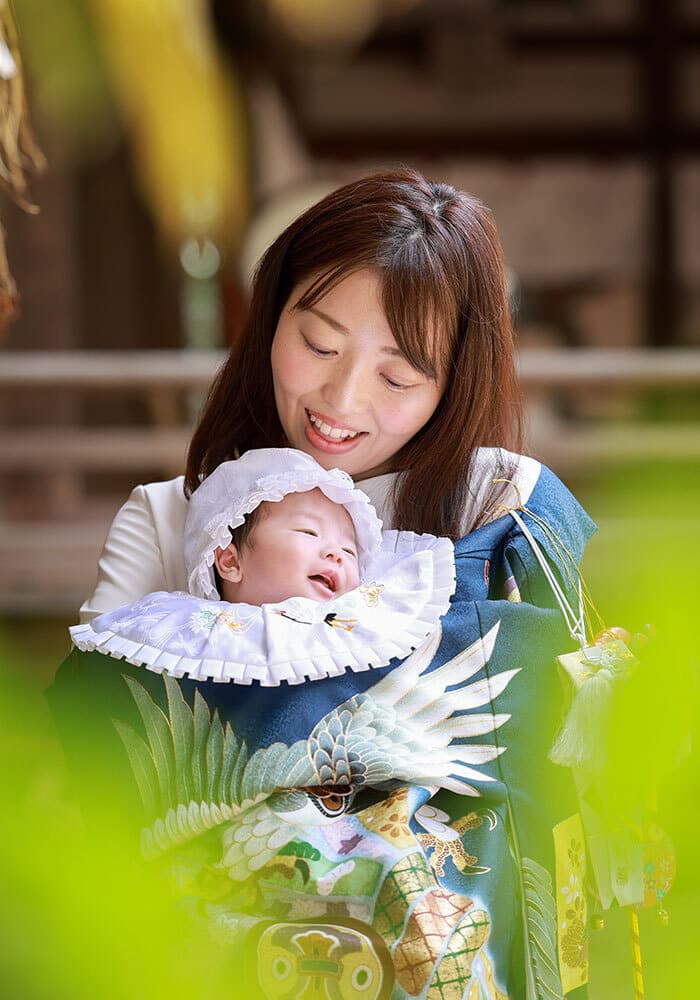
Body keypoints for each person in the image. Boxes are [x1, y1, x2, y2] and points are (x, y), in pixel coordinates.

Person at [53, 168, 595, 999]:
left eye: (398, 375)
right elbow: (99, 756)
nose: (341, 398)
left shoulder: (503, 506)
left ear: (455, 379)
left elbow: (569, 762)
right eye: (318, 344)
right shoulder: (172, 519)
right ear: (269, 318)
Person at [69, 447, 455, 687]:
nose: (336, 553)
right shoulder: (189, 627)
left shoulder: (359, 625)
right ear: (230, 560)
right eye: (308, 531)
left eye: (349, 551)